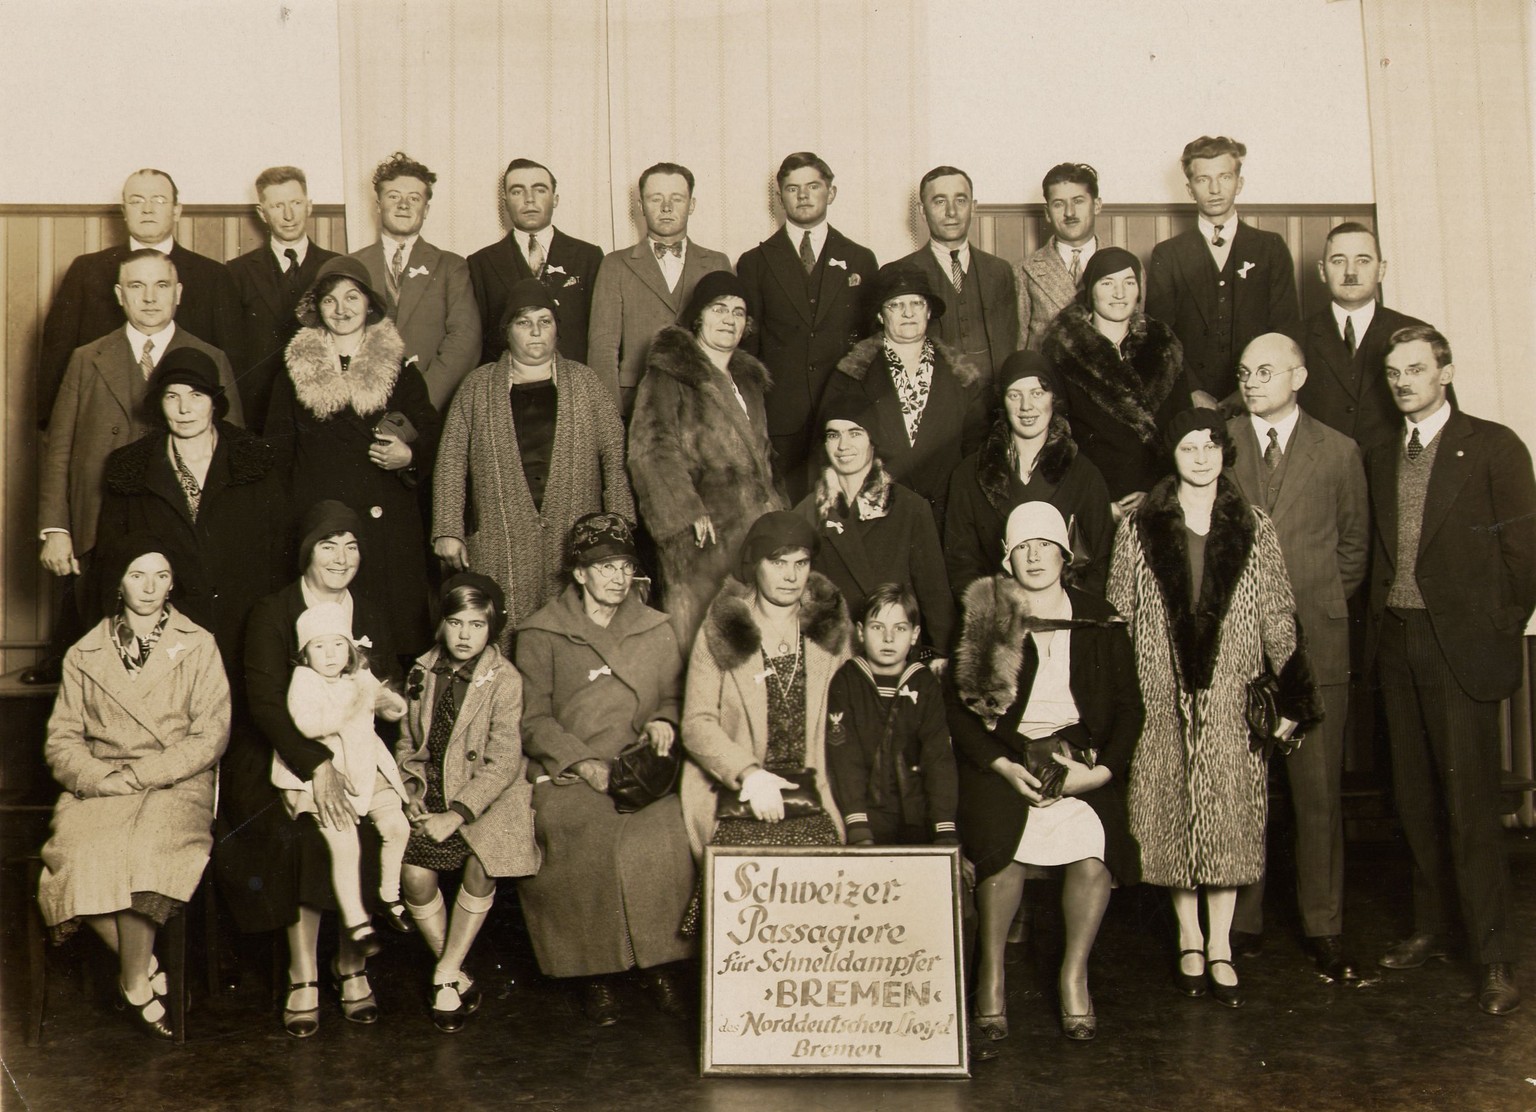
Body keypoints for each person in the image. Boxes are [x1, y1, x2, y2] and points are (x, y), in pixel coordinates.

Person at [1107, 408, 1322, 1010]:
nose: (1200, 457)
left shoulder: (1253, 524)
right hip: (1160, 694)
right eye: (1187, 446)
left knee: (1228, 815)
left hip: (1231, 693)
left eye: (1210, 446)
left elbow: (1279, 612)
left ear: (1225, 452)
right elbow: (1118, 613)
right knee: (1170, 812)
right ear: (1170, 454)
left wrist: (1295, 695)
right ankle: (1189, 937)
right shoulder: (1139, 526)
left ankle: (1223, 942)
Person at [1366, 326, 1536, 1016]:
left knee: (1468, 809)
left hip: (1457, 648)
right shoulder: (1381, 455)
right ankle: (1431, 927)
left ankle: (1493, 957)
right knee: (1413, 798)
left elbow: (1525, 556)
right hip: (1397, 643)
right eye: (1393, 371)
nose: (1403, 380)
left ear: (1446, 371)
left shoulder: (1492, 446)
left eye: (1415, 368)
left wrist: (1490, 630)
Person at [948, 502, 1142, 1042]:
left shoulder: (1099, 616)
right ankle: (991, 973)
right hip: (1005, 758)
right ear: (1008, 558)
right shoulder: (988, 615)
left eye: (1045, 544)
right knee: (1001, 846)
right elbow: (959, 716)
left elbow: (1131, 709)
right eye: (1022, 546)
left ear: (1064, 553)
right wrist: (1005, 767)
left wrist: (1099, 775)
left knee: (1093, 846)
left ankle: (1074, 973)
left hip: (1075, 761)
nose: (1034, 555)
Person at [37, 532, 230, 1040]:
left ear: (173, 584)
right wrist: (101, 778)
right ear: (118, 583)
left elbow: (211, 734)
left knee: (144, 854)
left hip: (174, 784)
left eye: (161, 576)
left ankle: (133, 983)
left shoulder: (199, 644)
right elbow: (61, 740)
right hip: (102, 786)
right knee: (79, 856)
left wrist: (144, 775)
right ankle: (142, 976)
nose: (149, 587)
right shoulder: (85, 652)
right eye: (137, 574)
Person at [1224, 333, 1368, 979]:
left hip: (1317, 644)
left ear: (1299, 376)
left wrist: (1308, 606)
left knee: (1317, 794)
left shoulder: (1339, 451)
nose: (1251, 381)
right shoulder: (1217, 444)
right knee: (1246, 787)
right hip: (1238, 649)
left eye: (1265, 371)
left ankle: (1324, 924)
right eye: (1244, 372)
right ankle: (1242, 921)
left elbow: (1354, 551)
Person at [231, 500, 403, 1036]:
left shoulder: (370, 611)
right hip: (283, 754)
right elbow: (263, 703)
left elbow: (388, 689)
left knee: (375, 828)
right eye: (328, 544)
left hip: (357, 752)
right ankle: (303, 971)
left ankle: (351, 964)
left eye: (352, 545)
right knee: (305, 835)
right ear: (306, 552)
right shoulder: (273, 611)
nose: (341, 556)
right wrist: (315, 766)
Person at [33, 250, 245, 685]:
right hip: (99, 525)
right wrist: (56, 527)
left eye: (161, 286)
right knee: (106, 659)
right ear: (119, 294)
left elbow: (233, 453)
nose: (150, 298)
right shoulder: (86, 358)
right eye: (137, 286)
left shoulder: (209, 357)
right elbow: (60, 449)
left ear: (179, 293)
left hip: (182, 527)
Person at [516, 515, 695, 1026]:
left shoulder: (655, 626)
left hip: (642, 768)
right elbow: (533, 718)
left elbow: (677, 696)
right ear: (579, 574)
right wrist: (581, 761)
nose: (617, 577)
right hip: (572, 765)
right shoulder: (542, 630)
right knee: (581, 831)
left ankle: (658, 963)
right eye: (604, 567)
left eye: (624, 567)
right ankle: (595, 973)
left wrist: (664, 720)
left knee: (665, 832)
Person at [433, 278, 633, 642]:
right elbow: (450, 460)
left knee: (573, 640)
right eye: (524, 322)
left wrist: (619, 531)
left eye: (545, 321)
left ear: (558, 329)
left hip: (574, 540)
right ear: (506, 331)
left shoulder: (586, 383)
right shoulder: (477, 387)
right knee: (505, 637)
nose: (536, 332)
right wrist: (448, 529)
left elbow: (616, 457)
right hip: (501, 539)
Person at [268, 255, 440, 653]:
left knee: (391, 633)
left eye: (352, 298)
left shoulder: (400, 370)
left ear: (370, 306)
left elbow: (433, 435)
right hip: (320, 517)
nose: (341, 309)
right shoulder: (292, 373)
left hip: (387, 524)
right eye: (329, 300)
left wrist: (409, 456)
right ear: (316, 309)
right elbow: (277, 454)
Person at [399, 573, 540, 1033]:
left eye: (477, 625)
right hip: (434, 788)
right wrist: (414, 792)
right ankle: (455, 967)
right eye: (456, 623)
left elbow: (502, 762)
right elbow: (408, 744)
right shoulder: (421, 671)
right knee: (415, 877)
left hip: (488, 795)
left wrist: (456, 813)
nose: (464, 635)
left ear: (491, 628)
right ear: (441, 624)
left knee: (483, 861)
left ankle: (443, 976)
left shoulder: (505, 680)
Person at [98, 348, 286, 680]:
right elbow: (112, 562)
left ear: (214, 402)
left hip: (247, 634)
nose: (184, 409)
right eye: (172, 396)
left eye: (196, 395)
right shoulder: (130, 468)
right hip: (166, 639)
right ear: (160, 403)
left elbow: (280, 554)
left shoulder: (257, 460)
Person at [680, 512, 851, 859]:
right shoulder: (725, 623)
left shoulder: (828, 624)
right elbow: (696, 723)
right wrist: (749, 774)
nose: (791, 576)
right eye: (778, 562)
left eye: (801, 563)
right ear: (754, 563)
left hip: (815, 790)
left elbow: (851, 717)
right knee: (743, 871)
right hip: (740, 793)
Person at [628, 270, 782, 647]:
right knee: (705, 645)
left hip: (753, 534)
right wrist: (685, 513)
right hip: (703, 537)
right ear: (698, 316)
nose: (729, 319)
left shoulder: (748, 382)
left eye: (738, 312)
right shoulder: (668, 376)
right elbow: (650, 451)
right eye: (719, 309)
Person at [36, 168, 241, 427]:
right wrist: (50, 425)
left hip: (186, 428)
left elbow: (230, 363)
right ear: (124, 211)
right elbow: (58, 353)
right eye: (136, 201)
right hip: (104, 427)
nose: (147, 209)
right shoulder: (86, 270)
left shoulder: (213, 276)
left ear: (177, 210)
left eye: (158, 200)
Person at [736, 152, 879, 499]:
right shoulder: (754, 263)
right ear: (780, 196)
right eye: (792, 188)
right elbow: (747, 353)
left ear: (831, 192)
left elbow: (873, 345)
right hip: (781, 420)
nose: (803, 195)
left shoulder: (861, 258)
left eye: (813, 186)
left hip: (844, 417)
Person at [276, 602, 412, 954]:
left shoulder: (358, 675)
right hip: (322, 774)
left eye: (338, 645)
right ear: (305, 654)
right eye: (319, 647)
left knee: (397, 825)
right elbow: (306, 725)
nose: (330, 655)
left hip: (365, 766)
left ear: (350, 648)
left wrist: (388, 702)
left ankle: (389, 895)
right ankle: (357, 922)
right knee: (344, 840)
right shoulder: (304, 680)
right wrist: (351, 707)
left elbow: (394, 709)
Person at [820, 263, 987, 528]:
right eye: (895, 305)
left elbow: (975, 450)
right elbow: (830, 455)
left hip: (948, 517)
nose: (908, 313)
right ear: (880, 315)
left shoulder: (962, 376)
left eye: (916, 303)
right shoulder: (851, 374)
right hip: (877, 516)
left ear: (929, 311)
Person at [945, 350, 1114, 601]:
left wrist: (1067, 612)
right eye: (1015, 395)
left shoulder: (1084, 474)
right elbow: (961, 565)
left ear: (1053, 398)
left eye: (1037, 393)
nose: (1026, 407)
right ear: (1002, 401)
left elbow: (1102, 563)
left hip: (1065, 617)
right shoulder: (969, 474)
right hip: (1001, 620)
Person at [1146, 136, 1300, 406]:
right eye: (1203, 180)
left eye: (1225, 177)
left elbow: (1284, 330)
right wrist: (1192, 391)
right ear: (1190, 189)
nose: (1215, 188)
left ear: (1239, 183)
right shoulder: (1168, 254)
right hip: (1189, 402)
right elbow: (1161, 336)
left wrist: (1249, 391)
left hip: (1258, 397)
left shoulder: (1270, 248)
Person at [793, 403, 954, 660]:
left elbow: (935, 595)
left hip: (897, 656)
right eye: (833, 435)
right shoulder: (806, 513)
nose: (843, 446)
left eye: (855, 433)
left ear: (873, 440)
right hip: (832, 659)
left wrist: (940, 656)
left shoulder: (911, 509)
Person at [1041, 246, 1190, 519]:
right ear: (1090, 291)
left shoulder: (1164, 346)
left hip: (1157, 500)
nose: (1119, 293)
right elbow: (1055, 438)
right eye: (1107, 283)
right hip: (1094, 499)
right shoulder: (1062, 350)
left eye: (1129, 282)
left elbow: (1183, 429)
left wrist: (1159, 495)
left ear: (1139, 291)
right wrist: (1097, 504)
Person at [588, 162, 733, 415]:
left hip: (705, 404)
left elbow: (730, 343)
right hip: (637, 406)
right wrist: (609, 419)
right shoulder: (615, 264)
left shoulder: (717, 263)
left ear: (692, 205)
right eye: (656, 199)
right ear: (640, 206)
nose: (666, 207)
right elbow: (602, 349)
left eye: (676, 199)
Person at [825, 584, 958, 846]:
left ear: (914, 634)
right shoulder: (848, 679)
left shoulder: (924, 682)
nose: (888, 638)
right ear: (861, 632)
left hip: (916, 816)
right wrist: (857, 824)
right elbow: (844, 757)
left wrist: (944, 827)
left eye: (900, 628)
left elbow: (938, 757)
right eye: (877, 627)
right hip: (863, 816)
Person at [350, 152, 481, 408]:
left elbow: (465, 340)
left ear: (426, 209)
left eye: (414, 198)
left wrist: (420, 404)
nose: (403, 205)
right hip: (361, 407)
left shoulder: (450, 266)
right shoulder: (353, 266)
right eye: (394, 196)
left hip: (428, 409)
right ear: (378, 205)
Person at [1298, 222, 1429, 450]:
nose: (1350, 272)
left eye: (1363, 260)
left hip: (1392, 477)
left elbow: (1441, 420)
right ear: (1322, 270)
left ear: (1381, 269)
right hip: (1321, 479)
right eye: (1338, 261)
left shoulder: (1416, 334)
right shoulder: (1293, 338)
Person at [227, 166, 339, 431]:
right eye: (277, 206)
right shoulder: (236, 272)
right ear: (262, 213)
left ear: (309, 206)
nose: (289, 215)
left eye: (296, 203)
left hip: (322, 409)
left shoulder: (336, 267)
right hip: (258, 412)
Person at [467, 158, 604, 366]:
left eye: (539, 190)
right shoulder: (481, 263)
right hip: (509, 388)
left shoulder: (589, 257)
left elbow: (601, 336)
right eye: (517, 191)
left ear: (555, 198)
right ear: (505, 203)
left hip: (574, 386)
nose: (529, 199)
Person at [897, 165, 1019, 383]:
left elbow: (1008, 346)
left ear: (973, 207)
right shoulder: (902, 273)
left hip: (990, 407)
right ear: (923, 211)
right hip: (932, 408)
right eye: (940, 201)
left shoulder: (999, 271)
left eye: (960, 201)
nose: (951, 212)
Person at [1018, 162, 1103, 351]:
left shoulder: (1125, 267)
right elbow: (1019, 348)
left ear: (1096, 205)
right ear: (1047, 213)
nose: (1069, 213)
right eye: (1058, 204)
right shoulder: (1025, 270)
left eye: (1078, 201)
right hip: (1045, 377)